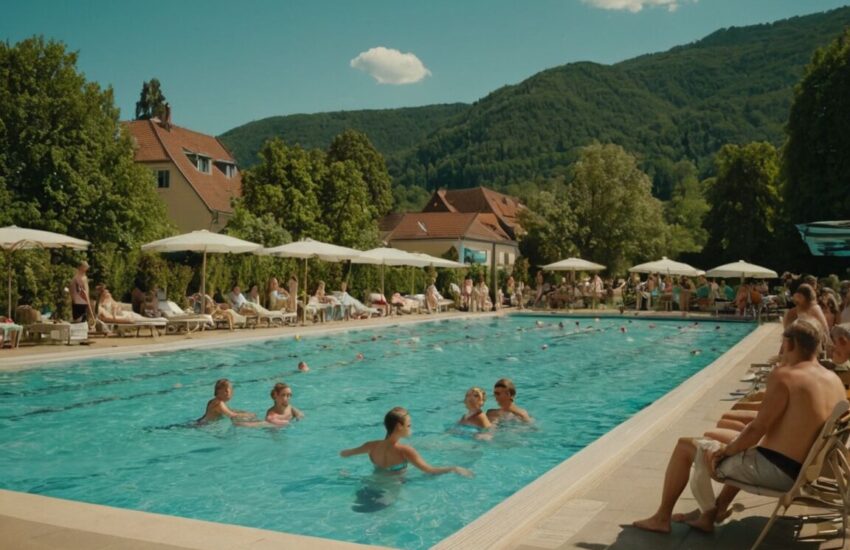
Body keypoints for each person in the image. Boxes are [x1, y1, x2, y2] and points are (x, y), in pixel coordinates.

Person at [633, 320, 846, 534]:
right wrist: (735, 445)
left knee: (685, 447)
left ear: (789, 344)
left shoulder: (786, 376)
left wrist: (725, 452)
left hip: (777, 472)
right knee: (741, 447)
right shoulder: (833, 379)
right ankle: (714, 512)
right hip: (804, 470)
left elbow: (757, 429)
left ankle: (661, 518)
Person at [340, 407, 473, 477]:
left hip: (370, 485)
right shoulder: (405, 451)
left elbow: (345, 454)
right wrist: (454, 468)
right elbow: (429, 470)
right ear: (399, 426)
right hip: (391, 493)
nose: (411, 429)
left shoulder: (371, 446)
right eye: (409, 425)